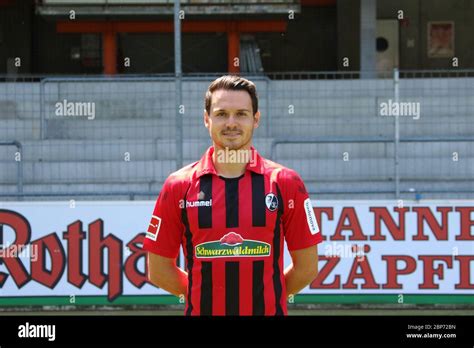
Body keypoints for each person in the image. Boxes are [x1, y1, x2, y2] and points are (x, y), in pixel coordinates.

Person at [143, 75, 322, 316]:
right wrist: (204, 296)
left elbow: (307, 267)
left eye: (241, 113)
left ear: (256, 119)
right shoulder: (178, 186)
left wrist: (269, 299)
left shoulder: (286, 183)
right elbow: (159, 269)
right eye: (221, 114)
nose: (231, 123)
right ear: (207, 119)